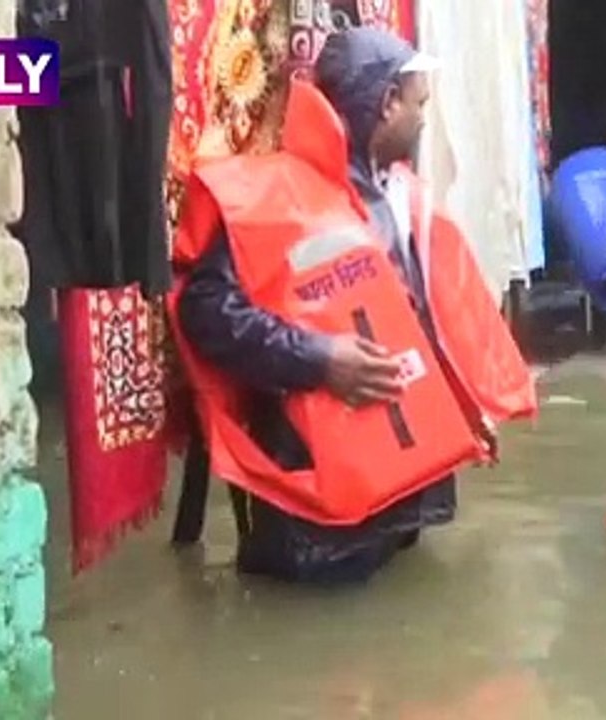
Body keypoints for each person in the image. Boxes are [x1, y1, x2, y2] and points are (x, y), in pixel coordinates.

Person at [170, 28, 535, 584]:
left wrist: (468, 406)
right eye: (418, 105)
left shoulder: (405, 195)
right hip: (318, 512)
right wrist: (319, 358)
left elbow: (428, 316)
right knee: (318, 630)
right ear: (388, 103)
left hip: (407, 487)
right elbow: (205, 313)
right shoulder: (272, 198)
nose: (423, 120)